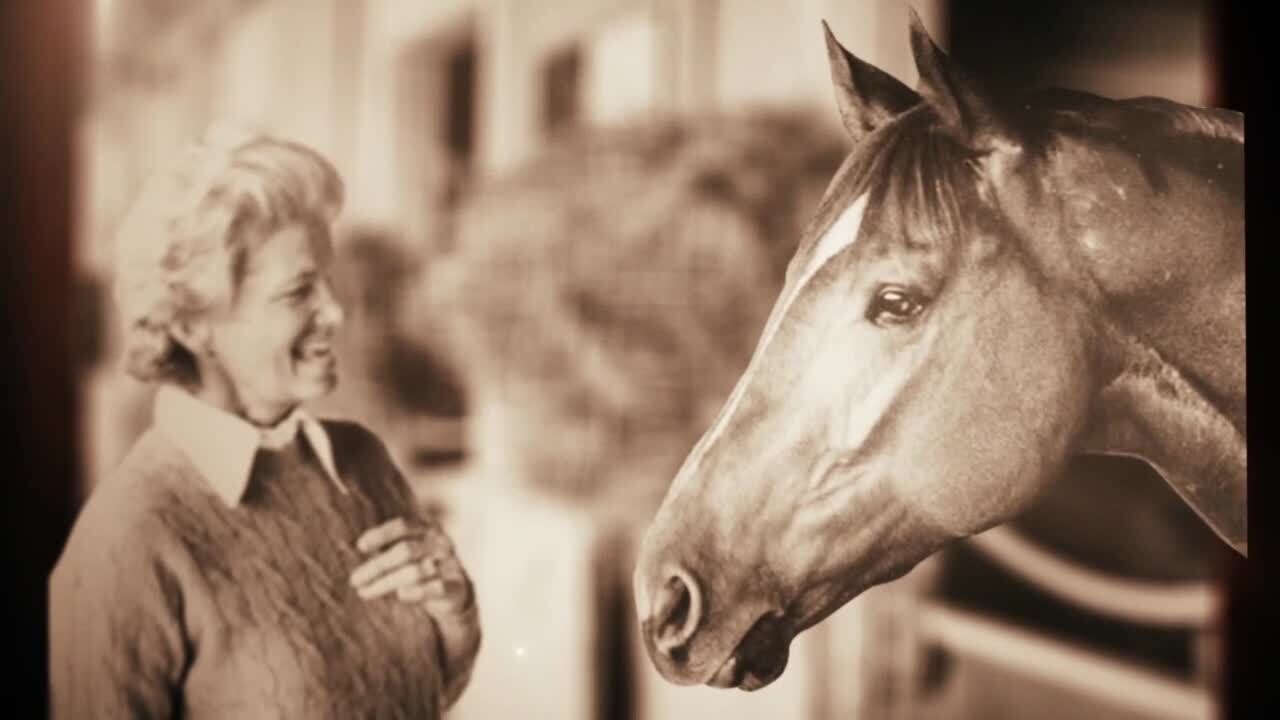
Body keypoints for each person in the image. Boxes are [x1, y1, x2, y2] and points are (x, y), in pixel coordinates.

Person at [49, 125, 481, 719]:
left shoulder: (363, 463)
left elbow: (417, 693)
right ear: (194, 326)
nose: (335, 312)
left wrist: (453, 616)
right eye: (297, 292)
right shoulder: (127, 542)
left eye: (329, 284)